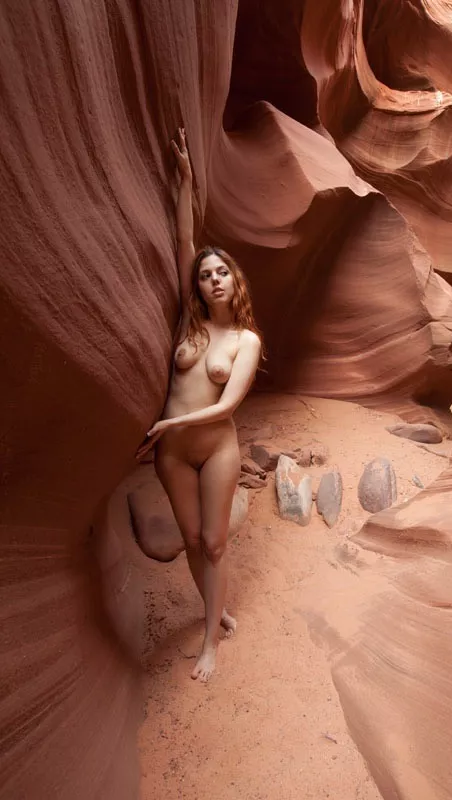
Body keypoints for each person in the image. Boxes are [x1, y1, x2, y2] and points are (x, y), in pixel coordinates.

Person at [137, 128, 262, 682]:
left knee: (213, 542)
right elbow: (185, 245)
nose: (212, 278)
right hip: (172, 456)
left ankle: (211, 637)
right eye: (206, 274)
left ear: (235, 282)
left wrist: (170, 420)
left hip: (214, 449)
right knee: (191, 539)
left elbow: (226, 405)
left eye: (222, 272)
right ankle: (217, 608)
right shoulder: (188, 322)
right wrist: (185, 181)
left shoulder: (245, 341)